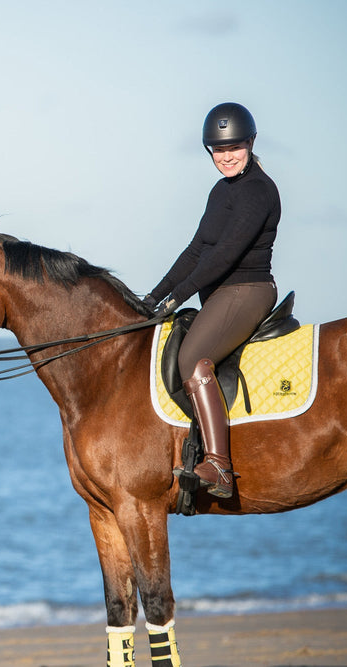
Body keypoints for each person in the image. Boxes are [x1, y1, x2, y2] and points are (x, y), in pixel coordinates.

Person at [142, 102, 280, 499]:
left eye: (234, 147)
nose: (227, 157)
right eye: (219, 151)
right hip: (219, 292)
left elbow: (224, 257)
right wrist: (154, 296)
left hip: (248, 290)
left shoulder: (259, 191)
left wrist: (178, 298)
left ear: (250, 143)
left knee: (191, 358)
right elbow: (197, 250)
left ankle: (219, 466)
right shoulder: (220, 191)